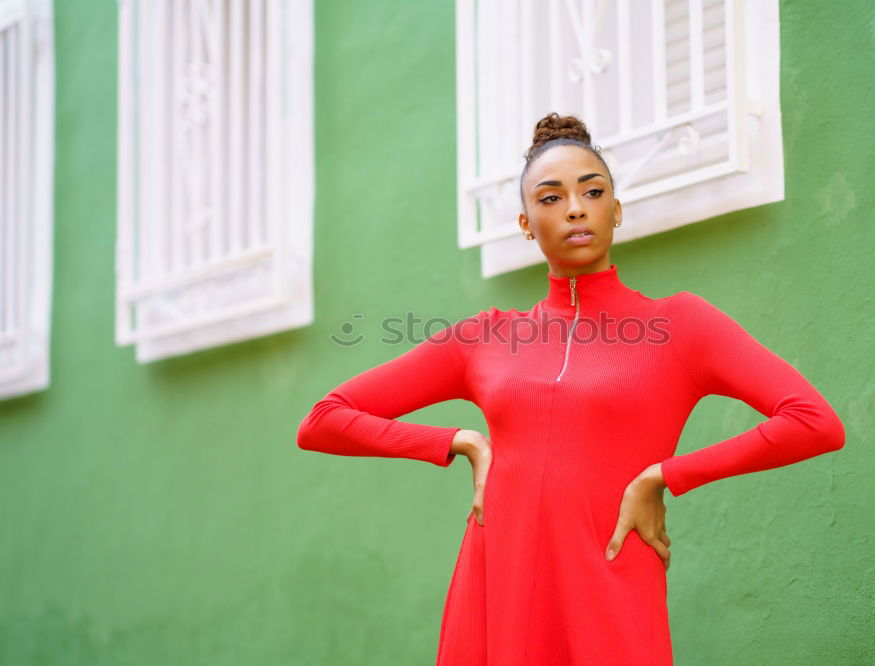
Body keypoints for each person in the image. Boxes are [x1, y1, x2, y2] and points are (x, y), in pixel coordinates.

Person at [296, 112, 847, 665]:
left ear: (617, 209)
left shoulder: (682, 325)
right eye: (551, 197)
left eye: (593, 191)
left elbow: (812, 421)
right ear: (525, 223)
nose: (576, 208)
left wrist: (664, 476)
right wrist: (459, 441)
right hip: (497, 588)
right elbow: (324, 418)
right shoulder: (486, 336)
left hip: (610, 583)